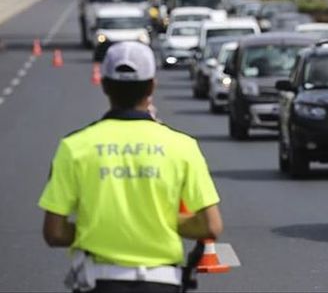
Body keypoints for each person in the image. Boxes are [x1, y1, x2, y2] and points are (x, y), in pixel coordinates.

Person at [38, 41, 223, 293]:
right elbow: (210, 226)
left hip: (98, 282)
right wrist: (158, 221)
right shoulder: (182, 146)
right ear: (152, 86)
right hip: (163, 281)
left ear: (104, 85)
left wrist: (100, 228)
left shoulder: (74, 147)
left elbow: (54, 232)